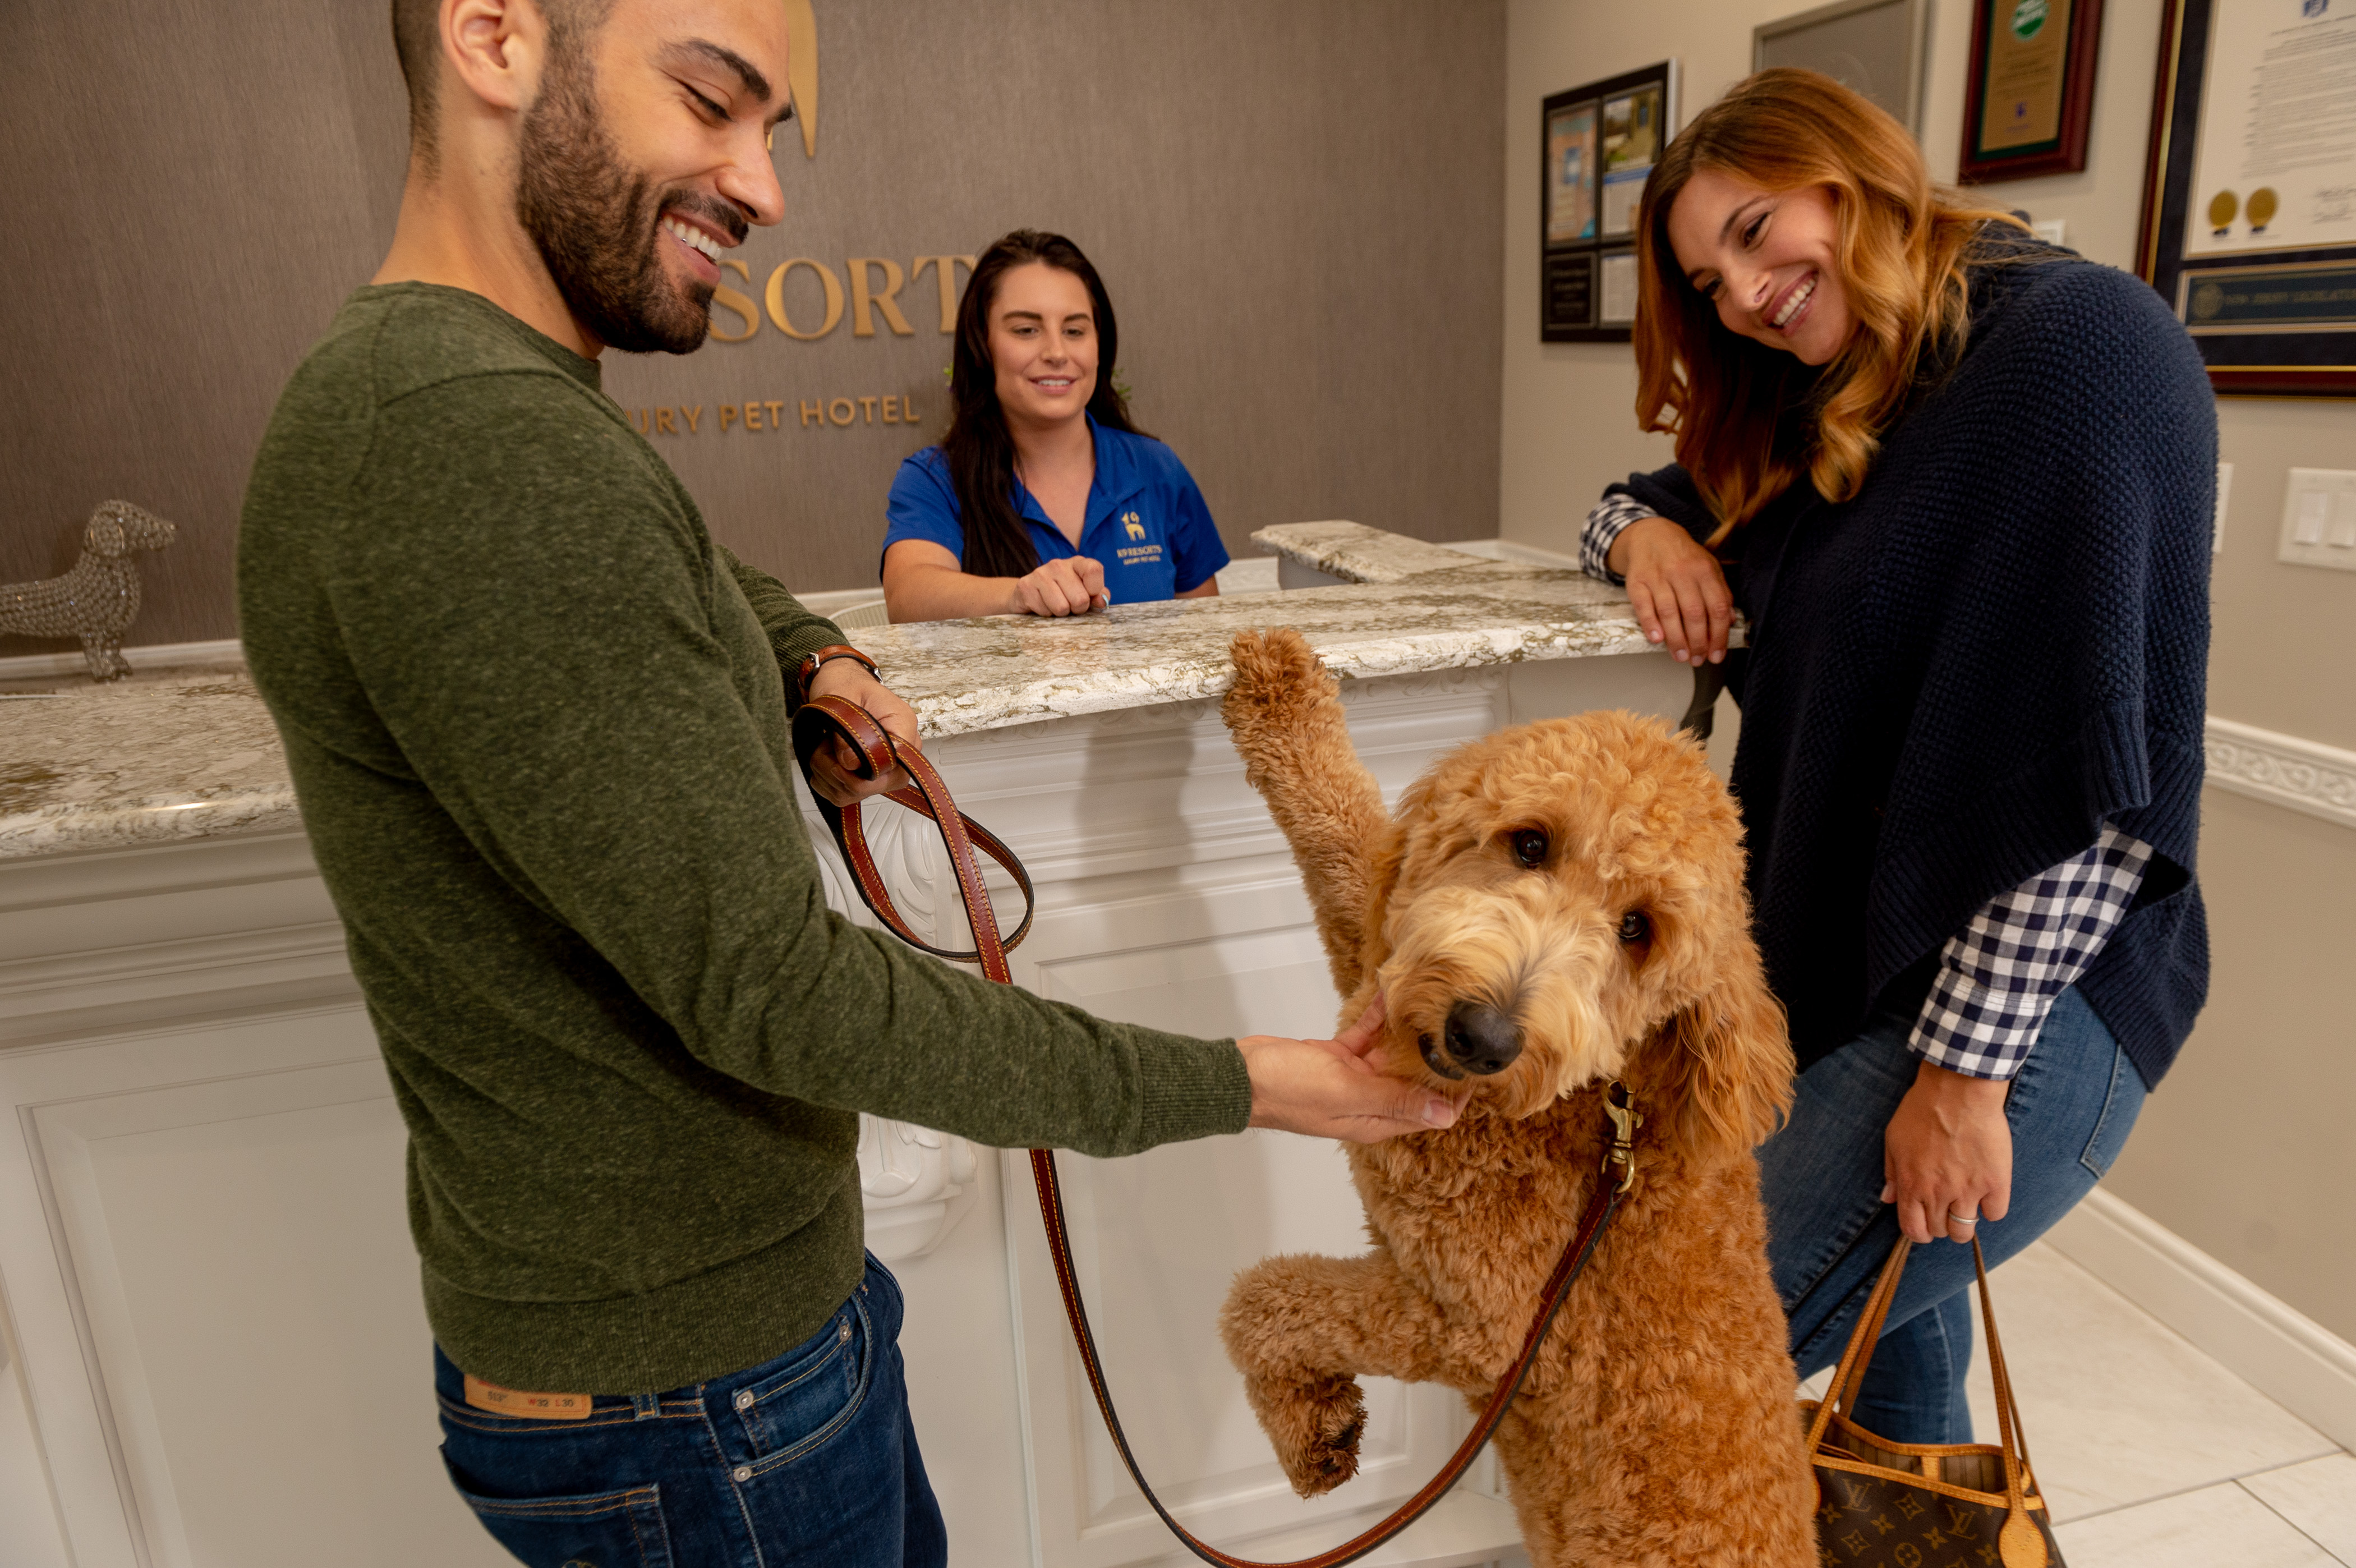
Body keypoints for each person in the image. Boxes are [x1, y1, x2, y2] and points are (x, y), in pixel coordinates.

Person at [234, 3, 1457, 1565]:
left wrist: (810, 653)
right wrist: (1255, 1082)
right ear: (492, 36)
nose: (764, 186)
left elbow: (682, 564)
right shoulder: (478, 443)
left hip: (718, 1337)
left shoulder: (476, 396)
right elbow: (777, 992)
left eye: (773, 132)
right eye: (712, 100)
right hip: (692, 1397)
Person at [1580, 70, 2212, 1445]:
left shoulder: (2075, 347)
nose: (1744, 296)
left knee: (1644, 1370)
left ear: (1847, 173)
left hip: (2024, 1008)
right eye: (1709, 279)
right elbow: (1629, 499)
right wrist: (1644, 535)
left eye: (1755, 231)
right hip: (1862, 976)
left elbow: (2094, 783)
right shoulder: (1847, 397)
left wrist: (1961, 1081)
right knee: (1895, 1390)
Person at [879, 230, 1229, 620]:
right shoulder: (934, 479)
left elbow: (1205, 634)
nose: (1057, 353)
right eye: (1026, 330)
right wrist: (1019, 594)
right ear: (982, 345)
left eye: (1075, 330)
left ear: (1100, 346)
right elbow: (907, 597)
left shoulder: (1156, 469)